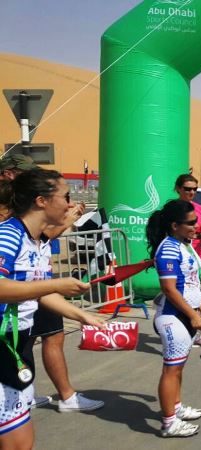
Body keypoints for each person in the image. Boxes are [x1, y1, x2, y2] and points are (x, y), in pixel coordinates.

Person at [0, 168, 104, 449]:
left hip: (16, 345)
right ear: (41, 201)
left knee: (21, 441)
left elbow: (39, 291)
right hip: (3, 345)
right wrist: (56, 284)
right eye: (66, 197)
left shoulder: (35, 240)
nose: (71, 205)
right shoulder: (7, 235)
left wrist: (83, 316)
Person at [146, 199, 201, 438]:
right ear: (174, 225)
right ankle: (169, 423)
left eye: (196, 221)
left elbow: (192, 279)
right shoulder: (169, 248)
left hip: (187, 314)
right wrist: (192, 314)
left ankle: (176, 407)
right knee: (171, 370)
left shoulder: (184, 244)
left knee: (178, 367)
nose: (195, 226)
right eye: (190, 223)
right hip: (173, 317)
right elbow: (169, 289)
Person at [174, 174, 201, 294]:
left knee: (200, 295)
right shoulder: (173, 208)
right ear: (178, 188)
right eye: (187, 189)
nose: (192, 192)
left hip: (198, 256)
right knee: (182, 295)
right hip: (180, 257)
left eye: (195, 189)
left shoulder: (200, 208)